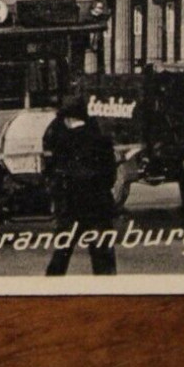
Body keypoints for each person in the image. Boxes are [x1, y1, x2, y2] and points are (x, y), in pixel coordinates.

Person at [42, 95, 118, 276]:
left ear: (67, 118)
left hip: (70, 206)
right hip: (98, 207)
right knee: (103, 259)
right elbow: (110, 175)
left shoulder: (60, 141)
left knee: (61, 256)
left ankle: (48, 294)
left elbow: (51, 174)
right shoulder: (101, 139)